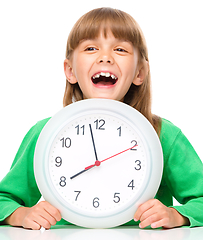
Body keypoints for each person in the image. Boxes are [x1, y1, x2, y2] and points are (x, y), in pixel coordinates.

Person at [1, 7, 203, 230]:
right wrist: (21, 215)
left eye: (119, 49)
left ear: (139, 73)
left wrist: (176, 215)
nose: (105, 57)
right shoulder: (46, 134)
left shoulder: (163, 134)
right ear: (70, 71)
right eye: (91, 48)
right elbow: (4, 200)